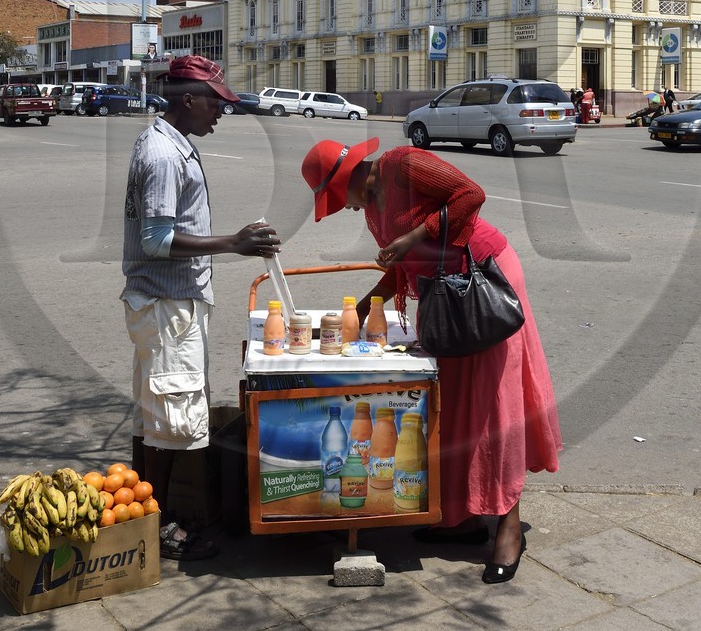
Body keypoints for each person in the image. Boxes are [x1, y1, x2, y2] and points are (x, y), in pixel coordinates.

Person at [300, 139, 561, 584]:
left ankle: (509, 528)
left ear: (350, 179)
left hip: (482, 285)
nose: (342, 208)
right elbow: (405, 264)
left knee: (494, 410)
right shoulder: (373, 205)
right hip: (444, 297)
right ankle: (462, 518)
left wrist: (415, 234)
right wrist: (360, 311)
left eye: (338, 197)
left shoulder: (403, 164)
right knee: (450, 408)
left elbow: (471, 196)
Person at [124, 54, 280, 562]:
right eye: (217, 102)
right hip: (167, 305)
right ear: (188, 99)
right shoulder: (164, 156)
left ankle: (155, 515)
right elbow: (155, 239)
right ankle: (161, 525)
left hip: (170, 303)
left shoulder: (173, 144)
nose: (221, 112)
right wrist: (233, 243)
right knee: (172, 420)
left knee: (161, 419)